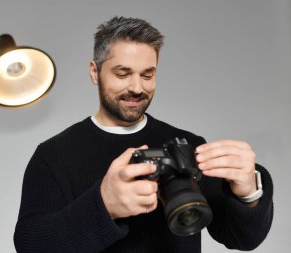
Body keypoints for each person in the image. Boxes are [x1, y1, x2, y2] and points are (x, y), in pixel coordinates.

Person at [14, 16, 273, 253]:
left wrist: (248, 191)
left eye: (147, 75)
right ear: (95, 72)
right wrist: (103, 205)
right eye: (122, 74)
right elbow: (30, 244)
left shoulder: (187, 146)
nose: (137, 88)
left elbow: (244, 239)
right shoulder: (53, 155)